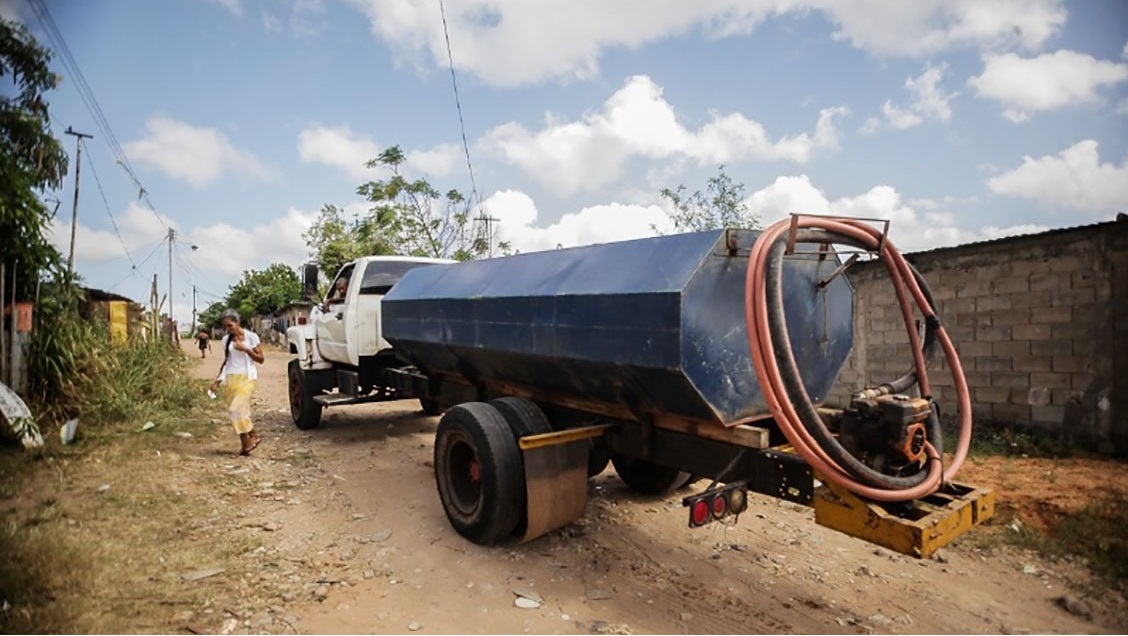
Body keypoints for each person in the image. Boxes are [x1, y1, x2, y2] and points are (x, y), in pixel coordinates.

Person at [209, 309, 265, 456]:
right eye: (225, 326)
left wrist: (246, 349)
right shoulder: (226, 340)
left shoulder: (251, 337)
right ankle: (245, 446)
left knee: (236, 409)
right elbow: (227, 362)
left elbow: (261, 359)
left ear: (237, 322)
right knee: (239, 413)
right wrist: (217, 381)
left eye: (230, 325)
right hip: (232, 378)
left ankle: (254, 435)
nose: (228, 329)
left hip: (247, 377)